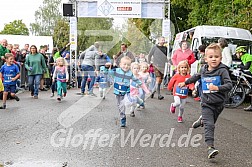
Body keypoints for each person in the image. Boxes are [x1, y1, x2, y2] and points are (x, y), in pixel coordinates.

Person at [178, 43, 232, 159]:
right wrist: (185, 82)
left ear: (220, 58)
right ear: (205, 58)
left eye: (216, 57)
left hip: (219, 104)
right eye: (211, 57)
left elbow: (229, 85)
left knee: (210, 122)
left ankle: (202, 120)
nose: (214, 59)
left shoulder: (222, 71)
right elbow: (196, 76)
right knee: (210, 125)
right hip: (206, 103)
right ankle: (210, 147)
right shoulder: (203, 69)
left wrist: (217, 88)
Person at [107, 56, 143, 127]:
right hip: (117, 92)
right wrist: (108, 68)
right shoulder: (117, 71)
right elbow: (110, 73)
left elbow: (135, 79)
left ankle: (124, 117)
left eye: (128, 65)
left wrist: (140, 83)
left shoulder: (130, 73)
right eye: (124, 64)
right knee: (120, 106)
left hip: (126, 91)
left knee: (125, 104)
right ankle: (123, 116)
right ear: (120, 64)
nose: (126, 66)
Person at [234, 46, 252, 111]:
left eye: (237, 53)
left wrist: (239, 66)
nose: (236, 54)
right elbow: (241, 66)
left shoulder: (248, 56)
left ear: (241, 53)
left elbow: (246, 67)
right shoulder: (243, 58)